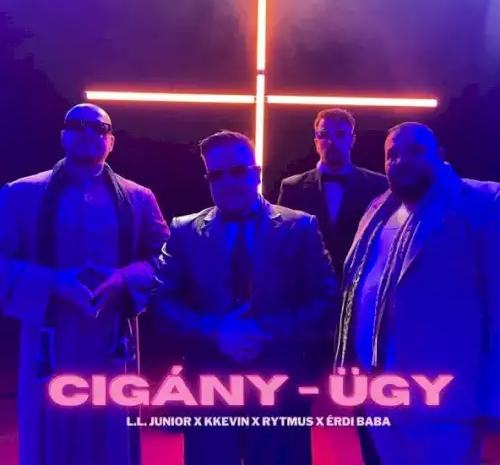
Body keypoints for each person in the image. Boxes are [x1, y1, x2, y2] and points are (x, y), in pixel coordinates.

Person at [151, 130, 339, 465]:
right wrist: (216, 331)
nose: (228, 182)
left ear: (257, 173)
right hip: (208, 393)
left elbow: (326, 302)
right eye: (217, 175)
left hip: (280, 390)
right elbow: (160, 303)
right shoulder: (183, 231)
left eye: (238, 171)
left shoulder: (300, 228)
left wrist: (261, 330)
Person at [0, 103, 169, 465]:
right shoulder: (21, 193)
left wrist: (124, 277)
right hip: (49, 338)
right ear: (63, 136)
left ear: (112, 141)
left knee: (110, 428)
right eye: (78, 125)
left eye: (100, 128)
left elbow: (167, 260)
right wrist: (53, 283)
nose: (89, 132)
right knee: (51, 427)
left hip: (112, 338)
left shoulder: (139, 198)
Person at [336, 122, 500, 465]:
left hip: (445, 405)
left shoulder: (484, 202)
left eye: (415, 151)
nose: (401, 161)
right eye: (392, 155)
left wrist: (494, 400)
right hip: (376, 396)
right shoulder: (377, 209)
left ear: (440, 155)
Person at [277, 108, 387, 278]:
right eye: (324, 135)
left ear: (352, 140)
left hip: (361, 282)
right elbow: (283, 243)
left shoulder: (378, 186)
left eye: (340, 134)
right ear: (316, 142)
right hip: (308, 285)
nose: (331, 141)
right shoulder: (292, 187)